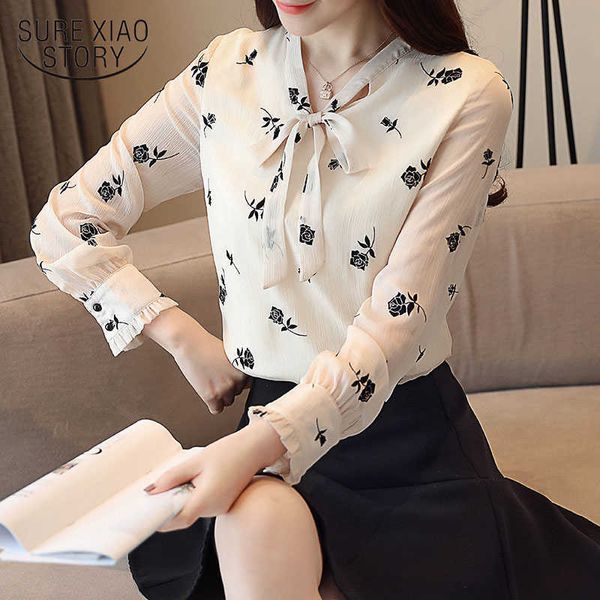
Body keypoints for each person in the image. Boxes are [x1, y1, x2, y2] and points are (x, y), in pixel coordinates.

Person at [29, 1, 600, 599]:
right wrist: (179, 335)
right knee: (255, 521)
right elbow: (66, 222)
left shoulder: (465, 92)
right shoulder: (226, 71)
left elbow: (398, 323)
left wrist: (246, 450)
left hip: (404, 441)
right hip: (265, 422)